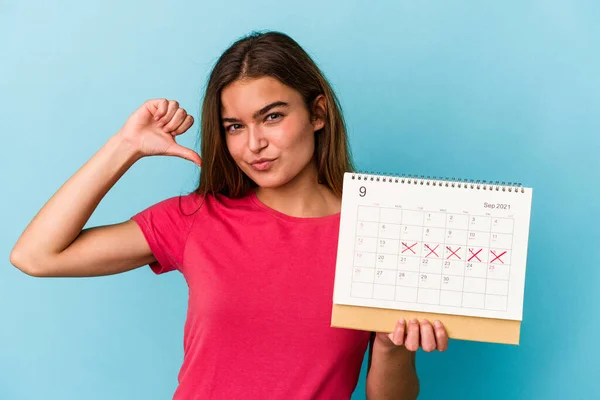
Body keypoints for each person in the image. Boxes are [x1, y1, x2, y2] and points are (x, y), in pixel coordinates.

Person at [10, 31, 448, 399]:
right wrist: (127, 147)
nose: (252, 144)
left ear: (317, 113)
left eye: (272, 117)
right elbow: (36, 256)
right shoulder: (196, 218)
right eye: (234, 126)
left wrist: (393, 348)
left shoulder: (381, 233)